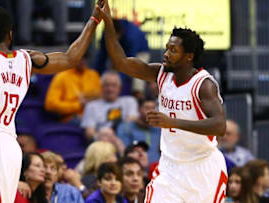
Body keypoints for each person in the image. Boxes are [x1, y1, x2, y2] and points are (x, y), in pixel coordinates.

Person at [0, 4, 103, 202]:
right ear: (10, 34)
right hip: (11, 147)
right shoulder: (26, 59)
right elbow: (71, 58)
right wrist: (93, 21)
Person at [96, 0, 228, 202]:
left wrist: (172, 122)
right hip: (170, 167)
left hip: (202, 167)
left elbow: (219, 125)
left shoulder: (203, 85)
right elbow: (121, 62)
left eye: (173, 50)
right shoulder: (161, 73)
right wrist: (108, 23)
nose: (166, 54)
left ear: (188, 57)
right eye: (167, 48)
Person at [81, 70, 138, 141]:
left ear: (120, 88)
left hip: (124, 140)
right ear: (101, 87)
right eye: (106, 85)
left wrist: (114, 132)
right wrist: (101, 137)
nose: (110, 89)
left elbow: (133, 119)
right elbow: (89, 132)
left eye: (114, 85)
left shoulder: (129, 101)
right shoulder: (91, 106)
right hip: (102, 142)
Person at [45, 54, 101, 122]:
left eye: (84, 58)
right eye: (79, 58)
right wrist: (78, 105)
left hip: (95, 114)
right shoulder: (61, 76)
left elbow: (101, 97)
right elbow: (50, 104)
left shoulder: (93, 75)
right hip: (72, 117)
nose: (82, 61)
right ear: (71, 59)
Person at [117, 98, 161, 163]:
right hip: (136, 167)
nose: (151, 111)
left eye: (153, 108)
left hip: (158, 168)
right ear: (138, 109)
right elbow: (125, 152)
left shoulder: (159, 129)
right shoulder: (126, 127)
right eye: (147, 108)